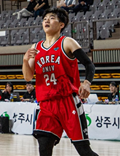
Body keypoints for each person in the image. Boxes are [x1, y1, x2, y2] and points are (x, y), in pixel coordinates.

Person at [22, 8, 98, 156]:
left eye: (51, 18)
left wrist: (86, 83)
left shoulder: (67, 42)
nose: (46, 21)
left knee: (84, 151)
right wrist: (25, 60)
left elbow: (89, 65)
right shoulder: (35, 48)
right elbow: (27, 77)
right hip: (46, 105)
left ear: (61, 24)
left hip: (67, 101)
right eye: (45, 19)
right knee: (44, 147)